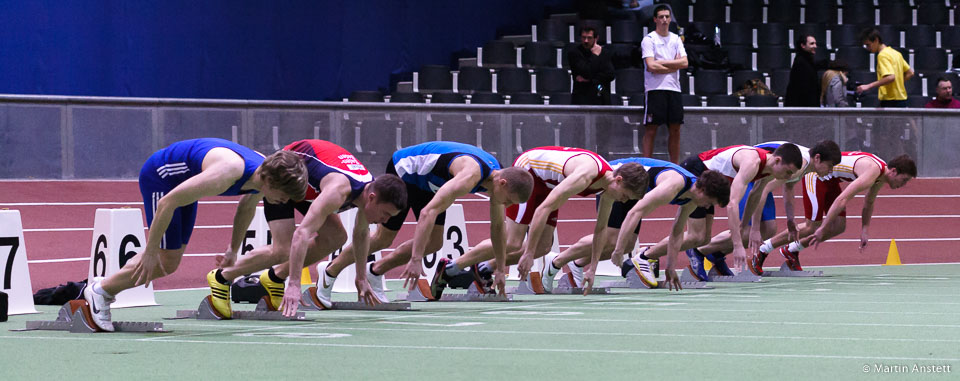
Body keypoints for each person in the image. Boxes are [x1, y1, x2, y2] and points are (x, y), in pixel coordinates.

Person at [82, 138, 308, 331]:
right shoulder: (227, 173)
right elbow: (166, 202)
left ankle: (104, 288)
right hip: (161, 178)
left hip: (185, 181)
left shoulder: (263, 171)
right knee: (163, 260)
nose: (285, 202)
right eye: (284, 195)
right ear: (269, 181)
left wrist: (232, 250)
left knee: (169, 263)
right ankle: (100, 292)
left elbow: (246, 207)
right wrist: (150, 250)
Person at [314, 141, 534, 305]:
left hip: (429, 183)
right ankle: (331, 271)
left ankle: (376, 270)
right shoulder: (469, 176)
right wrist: (416, 258)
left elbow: (497, 228)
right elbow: (429, 212)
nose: (505, 205)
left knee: (434, 243)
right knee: (383, 238)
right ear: (503, 183)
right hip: (407, 171)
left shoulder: (496, 180)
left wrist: (499, 268)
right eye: (507, 200)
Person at [206, 139, 408, 317]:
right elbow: (302, 233)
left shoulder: (368, 189)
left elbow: (361, 233)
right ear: (372, 198)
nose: (383, 220)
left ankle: (275, 278)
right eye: (385, 214)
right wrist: (295, 284)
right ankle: (222, 277)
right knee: (282, 249)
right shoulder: (339, 190)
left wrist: (361, 278)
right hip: (285, 179)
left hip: (309, 186)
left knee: (336, 236)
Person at [436, 146, 649, 295]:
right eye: (626, 196)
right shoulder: (585, 175)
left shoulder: (608, 189)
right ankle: (451, 267)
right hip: (529, 172)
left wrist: (592, 268)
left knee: (544, 247)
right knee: (513, 243)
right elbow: (544, 209)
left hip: (548, 184)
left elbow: (600, 229)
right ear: (619, 180)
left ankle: (483, 268)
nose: (624, 201)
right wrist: (527, 255)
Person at [620, 143, 803, 283]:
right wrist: (738, 243)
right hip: (698, 174)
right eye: (788, 172)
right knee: (695, 235)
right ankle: (644, 258)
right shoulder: (752, 162)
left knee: (704, 239)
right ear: (778, 160)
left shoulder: (770, 169)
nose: (788, 178)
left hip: (713, 183)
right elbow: (732, 203)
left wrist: (744, 224)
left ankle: (652, 256)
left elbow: (755, 196)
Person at [546, 158, 730, 291]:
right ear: (703, 190)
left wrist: (671, 268)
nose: (707, 207)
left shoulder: (691, 199)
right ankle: (556, 261)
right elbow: (636, 212)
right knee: (612, 240)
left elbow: (676, 232)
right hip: (621, 183)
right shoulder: (673, 185)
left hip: (637, 193)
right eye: (710, 202)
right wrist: (618, 251)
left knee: (626, 243)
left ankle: (577, 265)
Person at [680, 140, 842, 281]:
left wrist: (790, 220)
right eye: (830, 166)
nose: (830, 171)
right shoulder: (799, 164)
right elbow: (761, 190)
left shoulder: (801, 164)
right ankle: (701, 251)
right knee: (749, 232)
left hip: (760, 175)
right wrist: (755, 228)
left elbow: (789, 188)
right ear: (818, 158)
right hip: (750, 173)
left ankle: (715, 254)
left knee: (770, 229)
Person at [750, 153, 916, 273]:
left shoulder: (881, 175)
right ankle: (763, 249)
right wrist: (823, 227)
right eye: (904, 180)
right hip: (816, 175)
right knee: (812, 227)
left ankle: (792, 250)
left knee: (838, 226)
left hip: (831, 179)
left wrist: (865, 229)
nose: (903, 185)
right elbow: (842, 199)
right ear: (893, 171)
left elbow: (869, 202)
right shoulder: (873, 171)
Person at [640, 4, 688, 163]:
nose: (665, 20)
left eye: (667, 16)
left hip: (674, 90)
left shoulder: (675, 39)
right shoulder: (649, 39)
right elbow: (651, 65)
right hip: (655, 90)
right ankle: (646, 166)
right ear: (655, 19)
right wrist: (672, 65)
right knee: (651, 129)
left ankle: (675, 166)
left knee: (675, 129)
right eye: (661, 17)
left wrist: (662, 63)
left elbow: (684, 63)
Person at [857, 28, 914, 108]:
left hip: (890, 100)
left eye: (868, 44)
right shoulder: (896, 53)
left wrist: (868, 86)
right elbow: (910, 73)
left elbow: (890, 77)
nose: (867, 48)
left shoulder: (882, 55)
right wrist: (897, 84)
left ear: (876, 40)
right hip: (901, 99)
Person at [568, 26, 616, 105]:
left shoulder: (605, 53)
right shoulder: (574, 53)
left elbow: (610, 75)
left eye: (589, 38)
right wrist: (595, 55)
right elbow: (586, 72)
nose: (586, 41)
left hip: (601, 95)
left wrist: (590, 80)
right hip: (582, 97)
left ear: (596, 38)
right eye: (583, 37)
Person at [785, 35, 829, 107]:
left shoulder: (807, 60)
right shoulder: (801, 62)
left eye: (815, 43)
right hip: (802, 107)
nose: (815, 46)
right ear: (803, 45)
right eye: (812, 43)